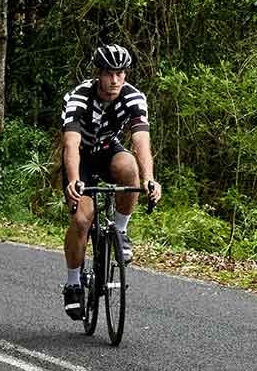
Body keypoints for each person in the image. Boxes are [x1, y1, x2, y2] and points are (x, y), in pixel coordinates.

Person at [59, 44, 163, 320]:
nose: (115, 80)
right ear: (98, 74)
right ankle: (72, 284)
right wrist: (72, 181)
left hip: (107, 150)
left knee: (129, 165)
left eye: (120, 73)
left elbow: (141, 140)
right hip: (80, 158)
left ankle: (120, 231)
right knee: (83, 219)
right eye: (109, 74)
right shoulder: (79, 97)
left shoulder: (133, 98)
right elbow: (70, 144)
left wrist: (150, 179)